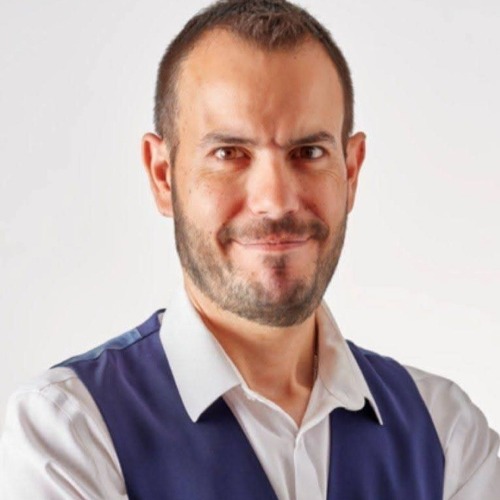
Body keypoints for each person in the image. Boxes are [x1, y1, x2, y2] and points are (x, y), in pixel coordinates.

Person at [1, 0, 499, 498]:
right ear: (162, 175)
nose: (275, 200)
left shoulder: (447, 434)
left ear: (350, 172)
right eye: (229, 153)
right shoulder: (69, 435)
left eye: (308, 152)